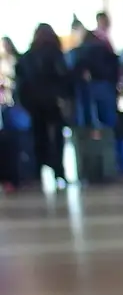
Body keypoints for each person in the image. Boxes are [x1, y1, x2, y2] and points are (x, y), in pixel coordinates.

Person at [14, 23, 73, 184]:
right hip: (53, 102)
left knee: (38, 136)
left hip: (33, 103)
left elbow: (20, 82)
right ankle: (58, 171)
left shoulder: (26, 57)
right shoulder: (55, 54)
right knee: (57, 137)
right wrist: (66, 96)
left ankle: (38, 169)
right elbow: (64, 76)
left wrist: (23, 102)